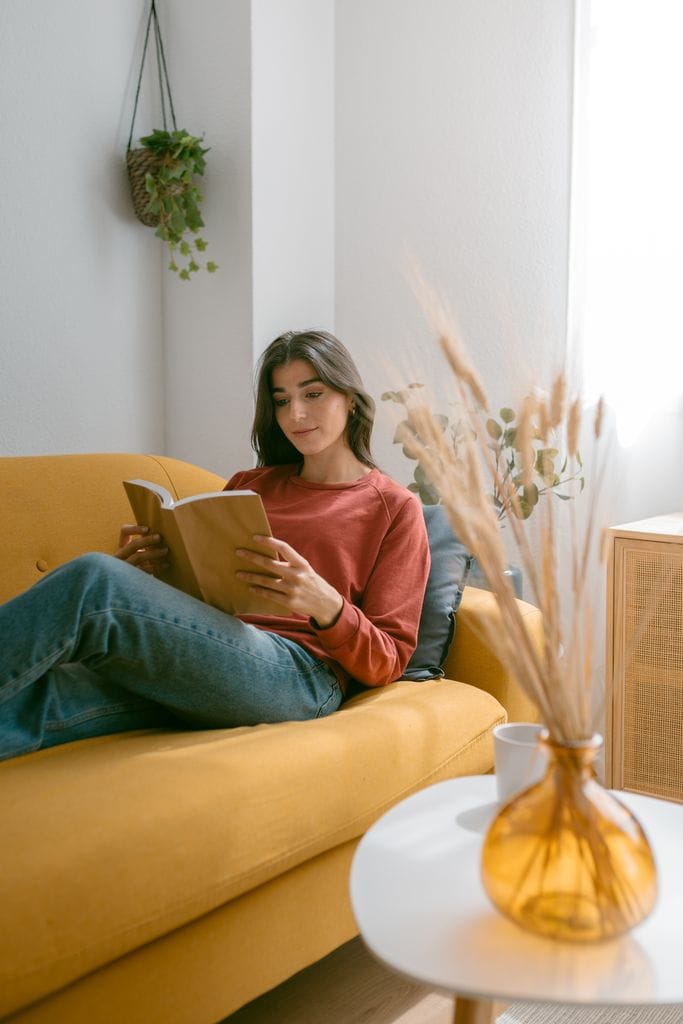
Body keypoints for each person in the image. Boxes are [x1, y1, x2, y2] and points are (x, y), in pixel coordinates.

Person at [0, 330, 430, 762]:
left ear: (350, 398)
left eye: (312, 393)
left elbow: (388, 660)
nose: (296, 413)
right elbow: (203, 598)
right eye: (281, 400)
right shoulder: (250, 486)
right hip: (215, 661)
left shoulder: (394, 508)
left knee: (95, 581)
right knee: (40, 701)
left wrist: (328, 607)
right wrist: (144, 575)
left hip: (299, 677)